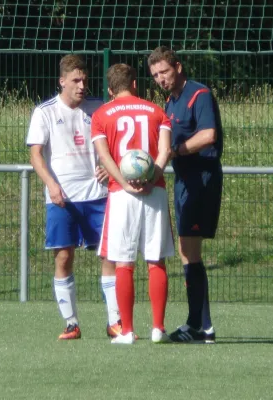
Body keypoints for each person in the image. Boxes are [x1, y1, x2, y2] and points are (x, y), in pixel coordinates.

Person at [26, 54, 122, 340]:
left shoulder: (99, 109)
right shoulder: (44, 112)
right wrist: (51, 185)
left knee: (109, 255)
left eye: (85, 80)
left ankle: (114, 321)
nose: (82, 86)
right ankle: (71, 323)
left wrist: (109, 164)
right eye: (76, 81)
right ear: (62, 81)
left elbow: (115, 144)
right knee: (64, 257)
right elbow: (35, 154)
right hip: (62, 197)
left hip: (98, 194)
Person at [91, 63, 175, 344]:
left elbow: (105, 156)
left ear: (110, 90)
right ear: (136, 85)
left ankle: (126, 331)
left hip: (121, 195)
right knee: (156, 260)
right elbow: (165, 151)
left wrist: (125, 183)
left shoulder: (102, 114)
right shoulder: (157, 111)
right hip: (154, 192)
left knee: (124, 262)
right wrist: (153, 178)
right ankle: (158, 328)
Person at [147, 46, 223, 343]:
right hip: (183, 181)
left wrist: (176, 150)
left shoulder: (198, 94)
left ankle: (199, 326)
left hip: (200, 179)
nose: (160, 79)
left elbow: (208, 135)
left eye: (164, 72)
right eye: (155, 75)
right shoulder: (170, 102)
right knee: (186, 253)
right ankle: (202, 326)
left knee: (190, 253)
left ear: (178, 67)